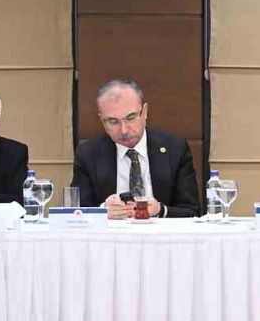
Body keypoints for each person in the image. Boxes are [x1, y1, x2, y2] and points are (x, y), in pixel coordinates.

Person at [71, 79, 200, 219]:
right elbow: (76, 214)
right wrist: (103, 211)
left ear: (144, 112)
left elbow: (192, 212)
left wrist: (160, 210)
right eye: (113, 122)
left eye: (130, 118)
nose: (124, 130)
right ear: (102, 120)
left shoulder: (175, 149)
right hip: (111, 232)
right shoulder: (88, 154)